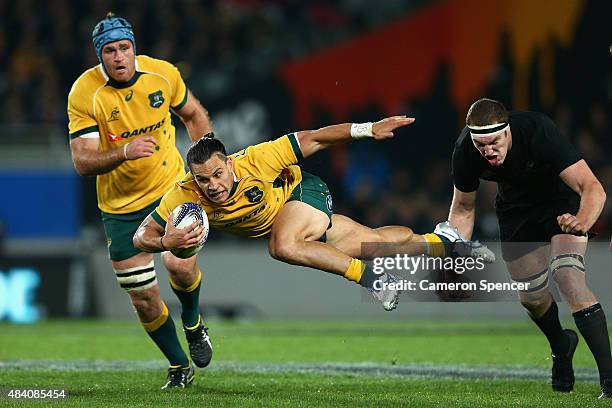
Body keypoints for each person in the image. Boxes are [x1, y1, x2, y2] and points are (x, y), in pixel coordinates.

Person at [133, 115, 494, 315]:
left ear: (229, 163)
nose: (212, 186)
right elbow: (141, 236)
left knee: (283, 246)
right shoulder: (184, 194)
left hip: (303, 192)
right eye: (203, 179)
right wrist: (166, 240)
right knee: (376, 241)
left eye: (217, 174)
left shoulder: (260, 159)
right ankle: (447, 241)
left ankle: (375, 281)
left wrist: (368, 130)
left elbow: (317, 138)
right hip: (291, 220)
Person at [68, 13, 213, 389]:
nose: (119, 57)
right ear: (100, 56)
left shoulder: (163, 74)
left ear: (135, 48)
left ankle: (194, 325)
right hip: (120, 208)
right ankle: (180, 366)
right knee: (145, 300)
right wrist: (123, 152)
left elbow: (193, 114)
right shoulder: (85, 92)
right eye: (110, 51)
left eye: (124, 48)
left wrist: (207, 160)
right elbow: (82, 161)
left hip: (171, 191)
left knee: (180, 267)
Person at [447, 98, 610, 398]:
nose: (487, 151)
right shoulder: (465, 151)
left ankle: (609, 381)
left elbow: (592, 187)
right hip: (516, 211)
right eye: (480, 144)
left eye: (494, 142)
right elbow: (463, 210)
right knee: (532, 298)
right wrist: (455, 250)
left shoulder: (537, 130)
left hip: (562, 204)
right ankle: (561, 344)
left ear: (507, 131)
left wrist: (581, 221)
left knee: (568, 278)